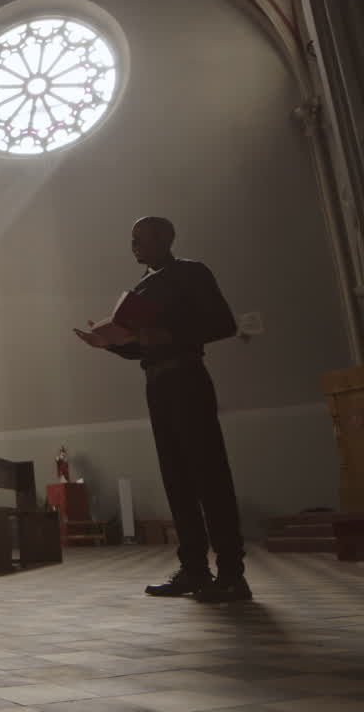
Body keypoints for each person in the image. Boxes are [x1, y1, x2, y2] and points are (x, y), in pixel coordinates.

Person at [74, 216, 249, 602]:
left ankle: (232, 574)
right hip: (157, 383)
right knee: (177, 478)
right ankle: (194, 569)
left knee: (209, 475)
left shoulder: (191, 273)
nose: (133, 245)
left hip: (187, 378)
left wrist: (168, 334)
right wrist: (109, 343)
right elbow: (141, 346)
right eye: (132, 239)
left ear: (166, 239)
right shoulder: (143, 287)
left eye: (141, 238)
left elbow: (223, 324)